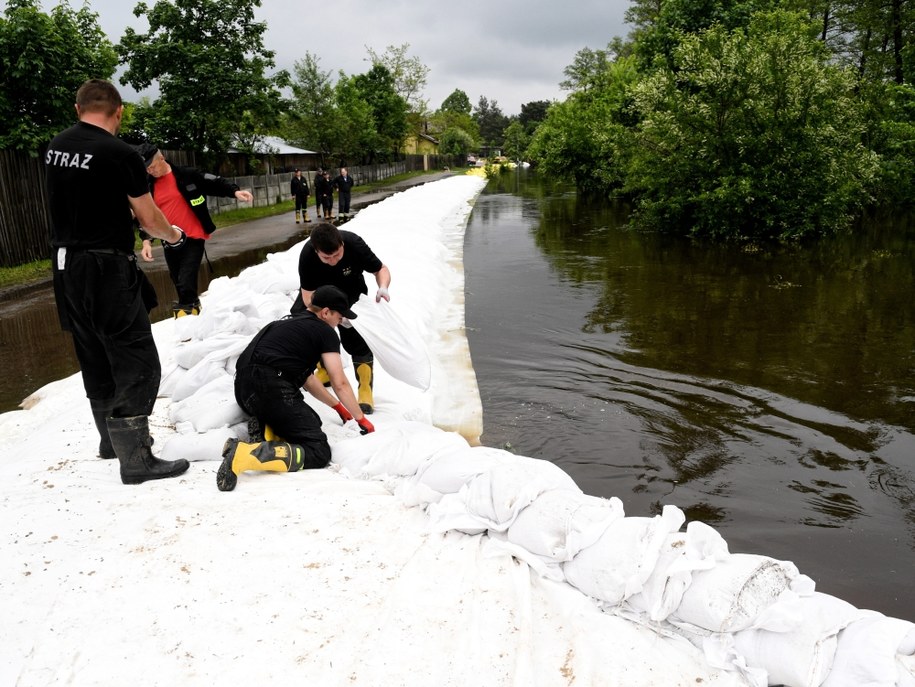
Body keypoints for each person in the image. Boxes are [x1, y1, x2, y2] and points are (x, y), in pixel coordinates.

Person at [44, 78, 190, 485]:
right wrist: (174, 236)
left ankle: (110, 442)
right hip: (105, 266)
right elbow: (148, 218)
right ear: (119, 111)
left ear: (78, 109)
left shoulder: (56, 146)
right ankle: (136, 458)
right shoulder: (120, 153)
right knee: (137, 358)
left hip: (65, 265)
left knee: (92, 348)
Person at [219, 285, 375, 491]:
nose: (341, 322)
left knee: (311, 420)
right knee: (318, 450)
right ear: (326, 312)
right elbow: (340, 382)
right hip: (271, 388)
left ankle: (267, 432)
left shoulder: (286, 323)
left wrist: (338, 408)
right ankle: (246, 454)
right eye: (339, 316)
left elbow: (308, 380)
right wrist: (360, 418)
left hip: (245, 391)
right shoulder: (324, 331)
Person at [136, 143, 254, 317]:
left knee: (186, 282)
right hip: (169, 240)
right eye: (147, 169)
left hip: (194, 237)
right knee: (178, 282)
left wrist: (234, 192)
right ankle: (193, 317)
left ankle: (187, 319)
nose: (150, 171)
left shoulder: (186, 175)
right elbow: (146, 215)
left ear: (162, 159)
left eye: (152, 167)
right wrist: (146, 240)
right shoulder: (148, 186)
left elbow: (214, 182)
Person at [292, 222, 391, 414]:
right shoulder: (307, 254)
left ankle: (365, 390)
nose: (333, 261)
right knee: (304, 323)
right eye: (326, 257)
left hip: (351, 293)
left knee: (356, 336)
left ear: (342, 245)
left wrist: (383, 287)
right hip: (319, 297)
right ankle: (324, 370)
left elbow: (381, 269)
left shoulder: (354, 243)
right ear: (316, 251)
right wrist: (328, 317)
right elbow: (307, 297)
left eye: (337, 255)